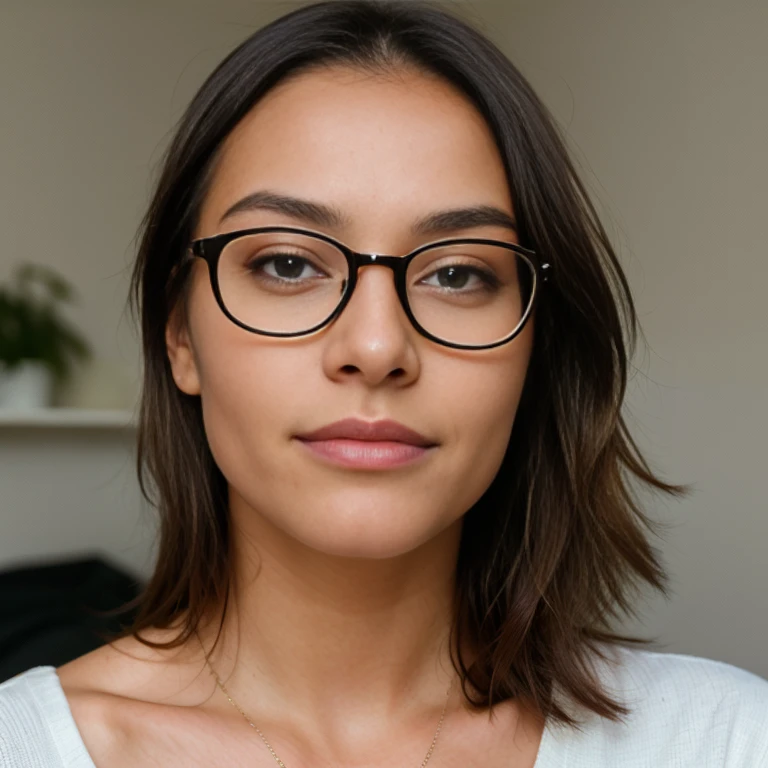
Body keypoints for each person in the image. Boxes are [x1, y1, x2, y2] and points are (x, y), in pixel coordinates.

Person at [1, 1, 767, 766]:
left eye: (459, 273)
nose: (375, 347)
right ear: (180, 337)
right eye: (288, 264)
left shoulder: (726, 739)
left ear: (537, 341)